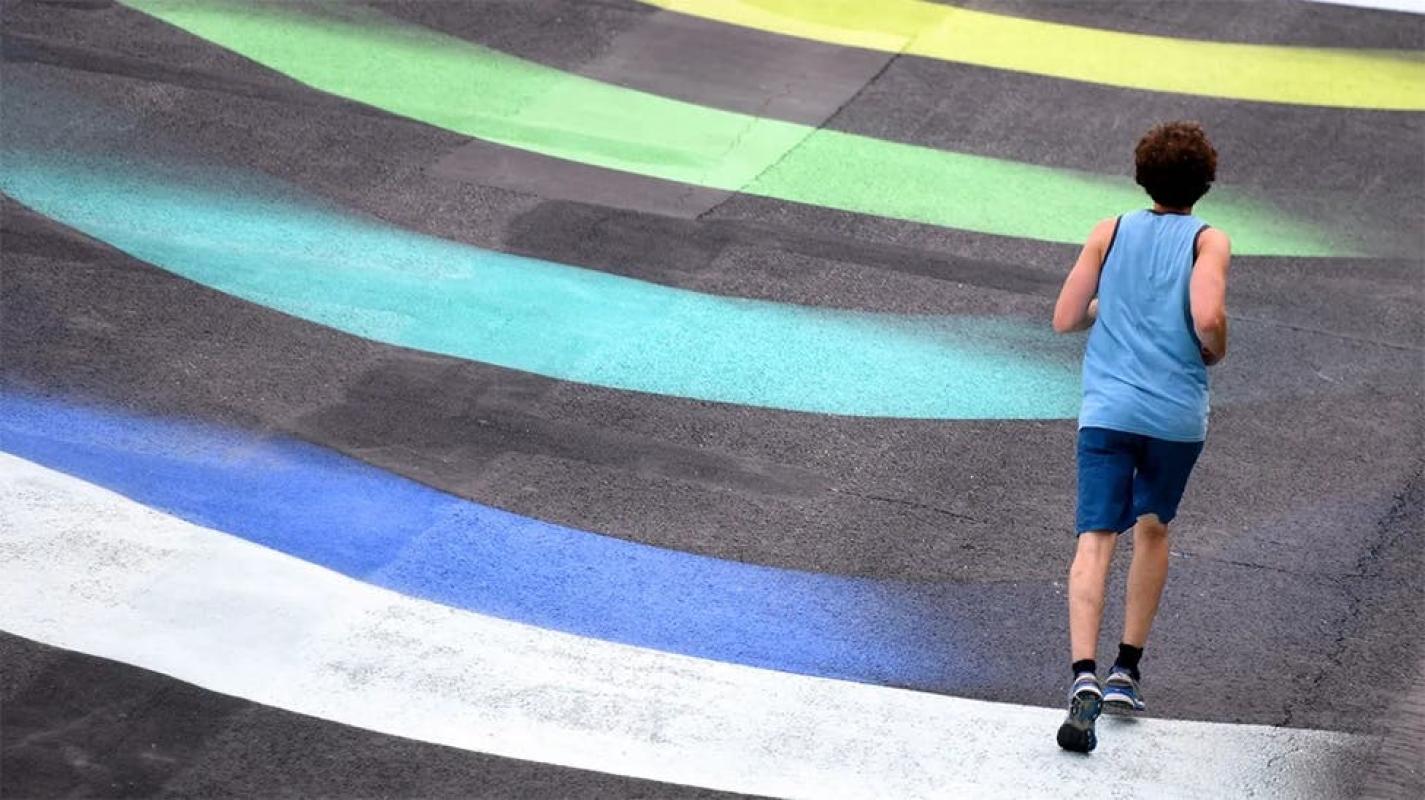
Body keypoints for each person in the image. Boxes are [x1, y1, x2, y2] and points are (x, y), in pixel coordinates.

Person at [1050, 121, 1231, 753]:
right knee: (1153, 528)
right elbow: (1207, 317)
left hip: (1108, 410)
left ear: (1141, 176)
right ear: (1205, 183)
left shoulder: (1109, 231)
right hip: (1174, 415)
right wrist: (1215, 348)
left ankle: (1083, 677)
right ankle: (1126, 670)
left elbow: (1066, 317)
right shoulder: (1209, 241)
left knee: (1095, 537)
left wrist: (1109, 309)